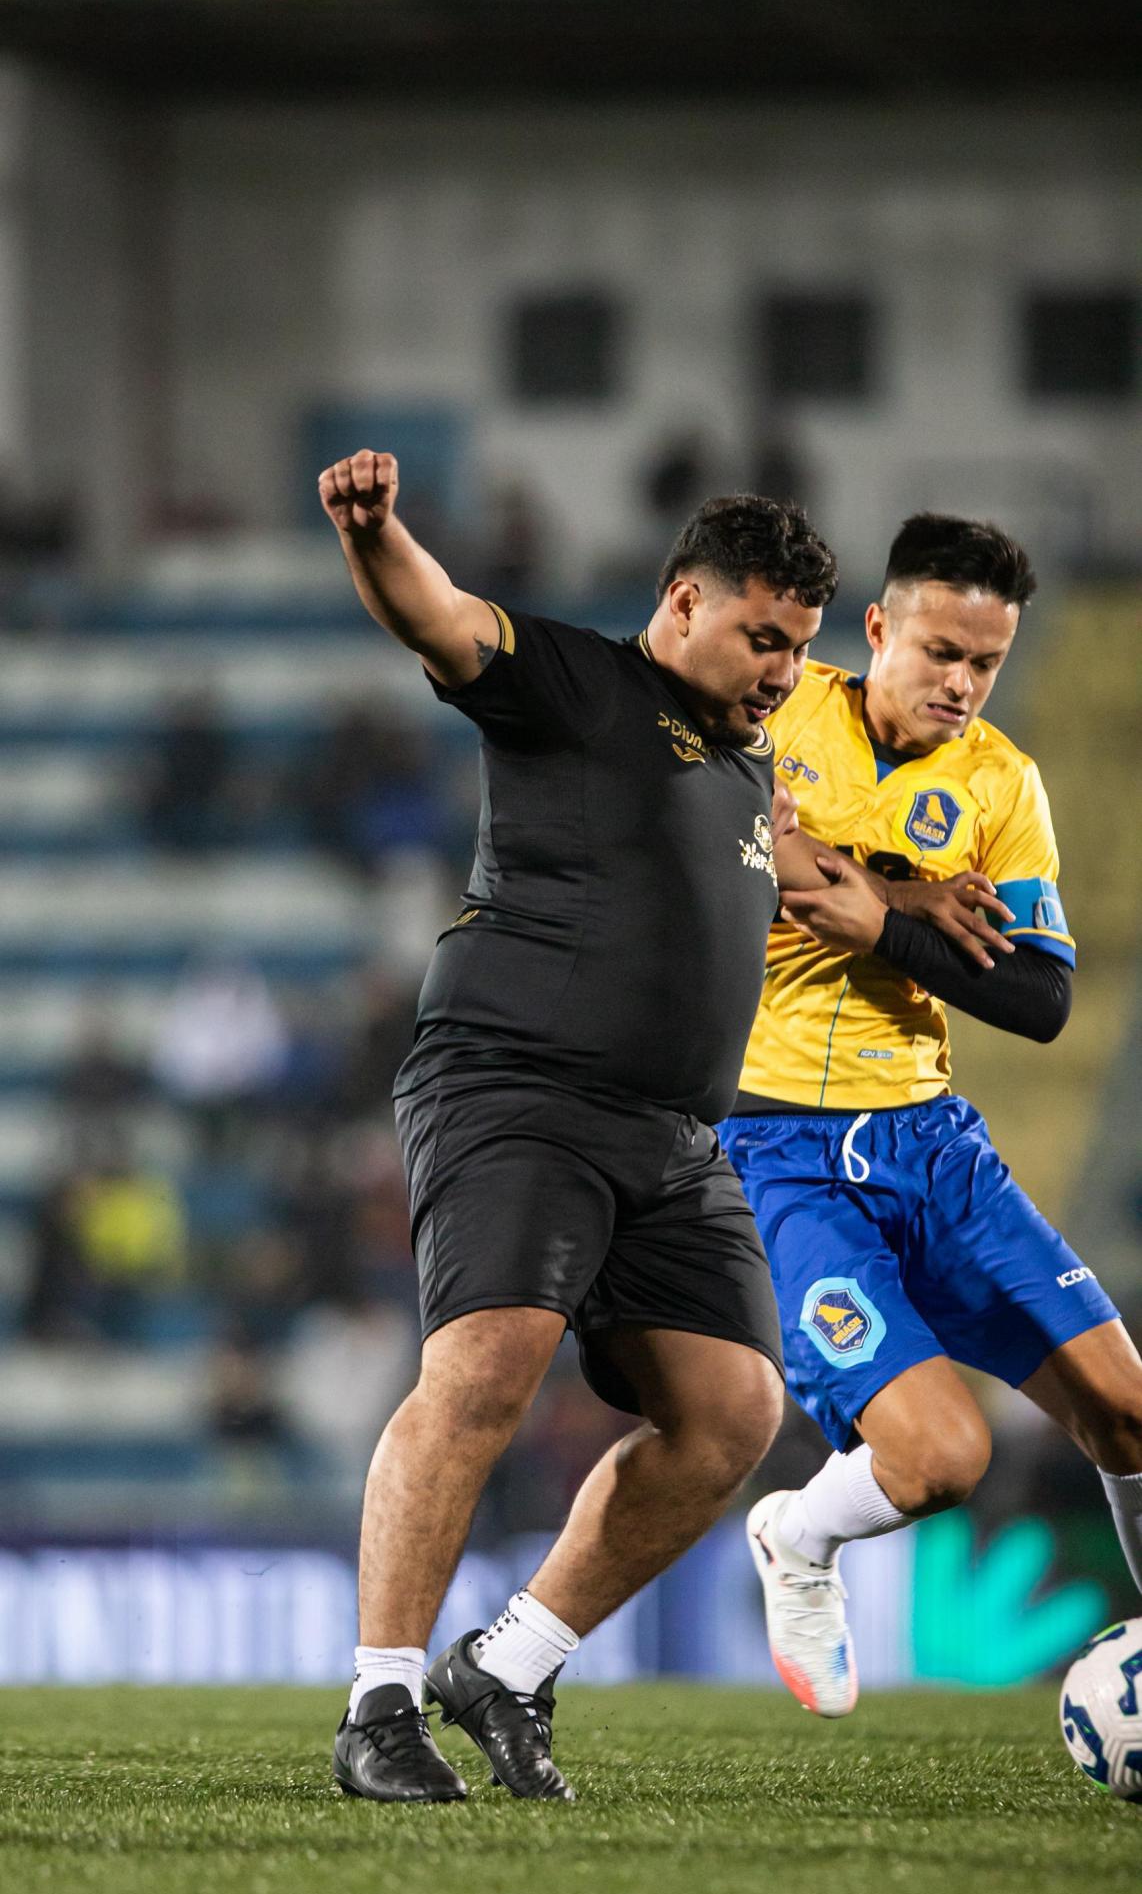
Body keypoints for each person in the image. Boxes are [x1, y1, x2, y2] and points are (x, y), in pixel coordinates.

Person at [316, 448, 874, 1805]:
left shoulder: (749, 783)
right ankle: (378, 1703)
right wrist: (377, 531)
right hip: (518, 1087)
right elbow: (437, 616)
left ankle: (508, 1666)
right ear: (682, 602)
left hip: (673, 1138)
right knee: (488, 1369)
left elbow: (830, 889)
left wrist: (931, 908)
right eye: (761, 637)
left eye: (797, 649)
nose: (780, 672)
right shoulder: (571, 683)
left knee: (732, 1414)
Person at [717, 513, 1142, 1716]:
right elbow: (740, 867)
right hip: (786, 1146)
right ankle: (797, 1534)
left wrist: (886, 927)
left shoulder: (1002, 784)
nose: (960, 683)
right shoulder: (775, 718)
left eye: (985, 662)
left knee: (1127, 1409)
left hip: (932, 1143)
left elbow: (1043, 997)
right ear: (875, 630)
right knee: (939, 1460)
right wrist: (886, 893)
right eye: (939, 652)